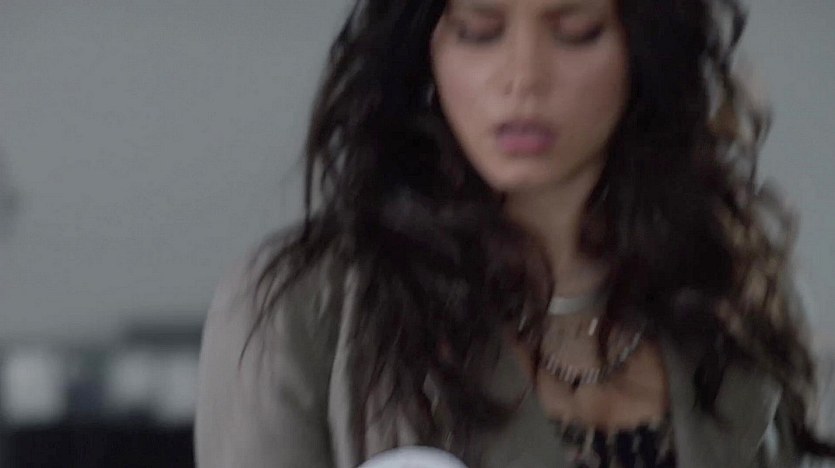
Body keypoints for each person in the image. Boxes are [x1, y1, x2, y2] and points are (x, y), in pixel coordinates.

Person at [194, 0, 835, 466]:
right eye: (479, 30)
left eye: (575, 31)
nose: (523, 78)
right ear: (426, 48)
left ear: (643, 48)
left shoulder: (730, 296)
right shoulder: (306, 308)